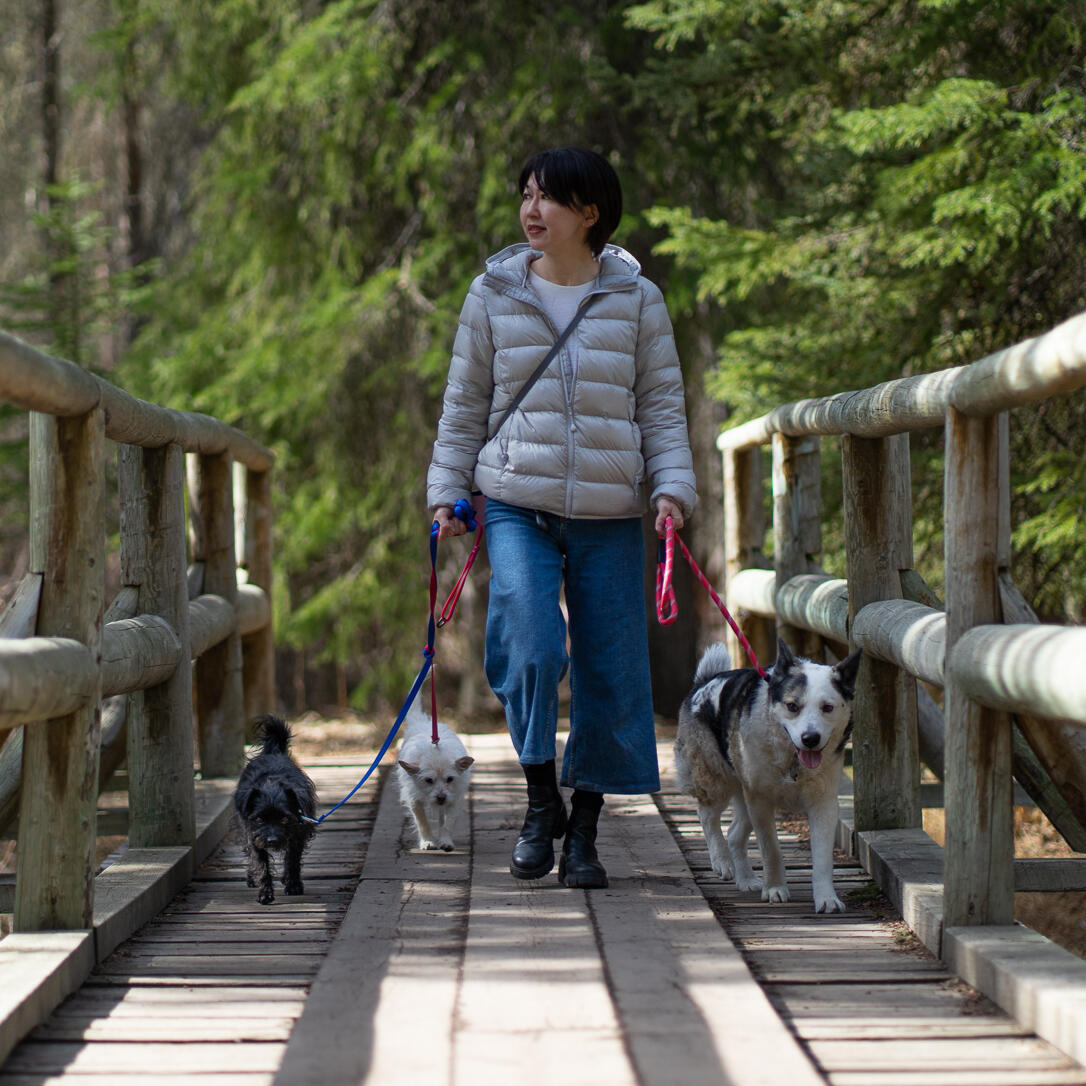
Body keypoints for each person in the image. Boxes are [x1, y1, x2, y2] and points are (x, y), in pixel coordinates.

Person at [427, 147, 696, 889]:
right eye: (526, 194)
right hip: (518, 501)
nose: (531, 209)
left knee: (610, 667)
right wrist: (447, 490)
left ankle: (584, 829)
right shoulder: (492, 293)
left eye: (547, 197)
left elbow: (662, 407)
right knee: (532, 646)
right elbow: (463, 404)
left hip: (611, 510)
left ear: (590, 213)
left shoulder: (638, 300)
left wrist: (673, 489)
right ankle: (540, 798)